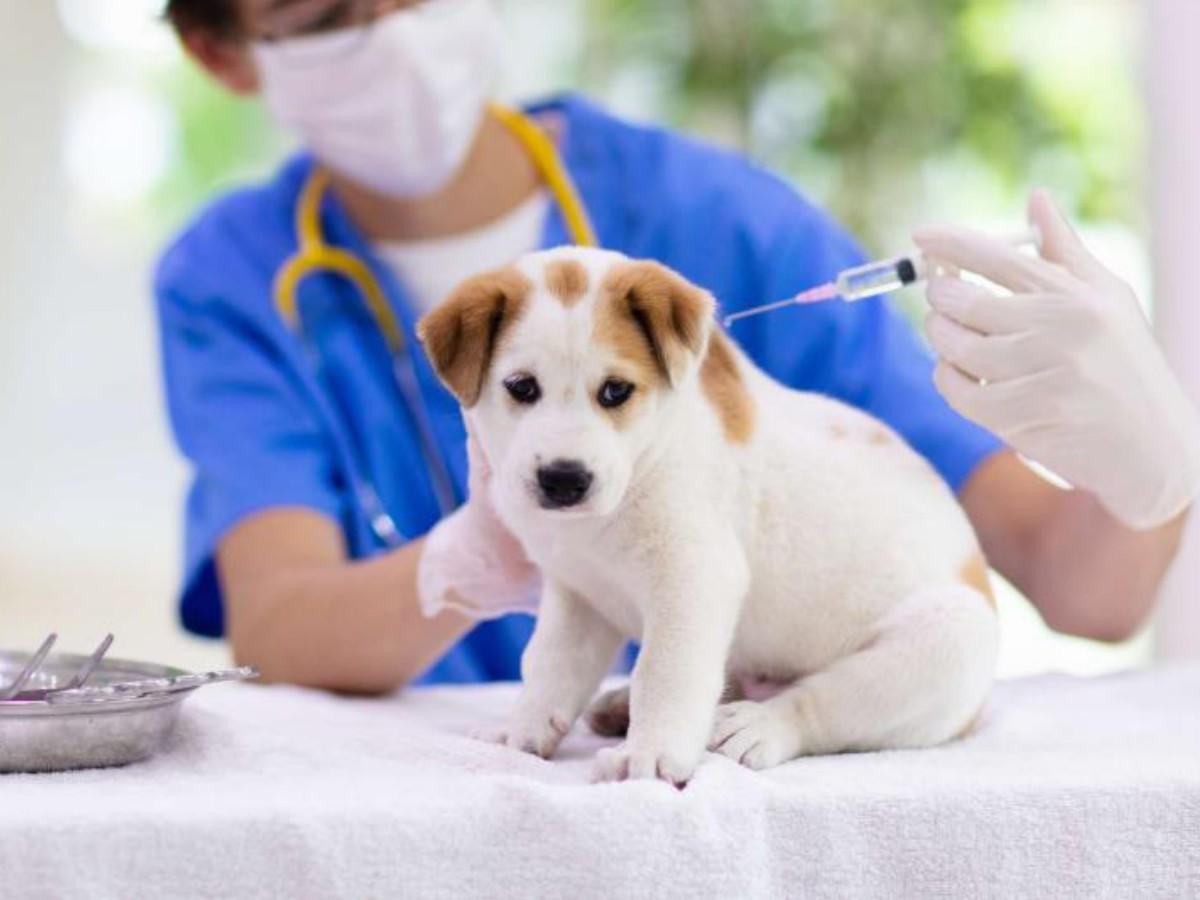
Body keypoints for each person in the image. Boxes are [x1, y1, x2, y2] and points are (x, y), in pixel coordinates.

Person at [157, 0, 1200, 694]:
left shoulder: (719, 223)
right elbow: (278, 627)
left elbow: (1087, 590)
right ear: (220, 48)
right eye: (328, 17)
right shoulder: (233, 279)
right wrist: (466, 565)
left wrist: (1156, 466)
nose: (399, 37)